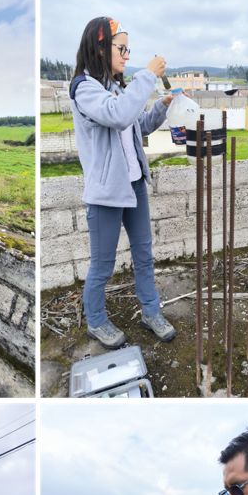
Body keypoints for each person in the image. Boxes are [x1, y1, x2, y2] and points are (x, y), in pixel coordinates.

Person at [69, 17, 177, 349]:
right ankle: (96, 322)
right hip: (106, 194)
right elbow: (116, 115)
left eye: (128, 49)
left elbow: (136, 124)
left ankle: (150, 311)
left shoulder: (115, 88)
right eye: (122, 48)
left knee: (144, 254)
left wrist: (162, 105)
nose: (127, 55)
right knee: (103, 264)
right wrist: (148, 76)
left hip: (133, 186)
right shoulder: (84, 88)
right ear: (101, 47)